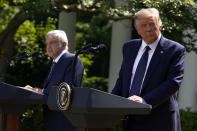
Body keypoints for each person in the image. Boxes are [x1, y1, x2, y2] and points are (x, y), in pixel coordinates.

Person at [111, 8, 185, 131]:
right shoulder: (129, 47)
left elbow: (173, 82)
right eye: (144, 25)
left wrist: (145, 100)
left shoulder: (175, 50)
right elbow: (123, 79)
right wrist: (111, 101)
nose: (149, 29)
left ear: (160, 24)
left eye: (152, 24)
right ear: (137, 29)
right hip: (131, 120)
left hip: (160, 120)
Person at [26, 30, 84, 131]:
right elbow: (50, 89)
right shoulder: (55, 63)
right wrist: (34, 92)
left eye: (52, 42)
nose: (48, 47)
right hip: (50, 120)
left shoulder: (72, 60)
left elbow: (68, 90)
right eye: (47, 43)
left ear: (64, 44)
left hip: (63, 121)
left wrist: (41, 91)